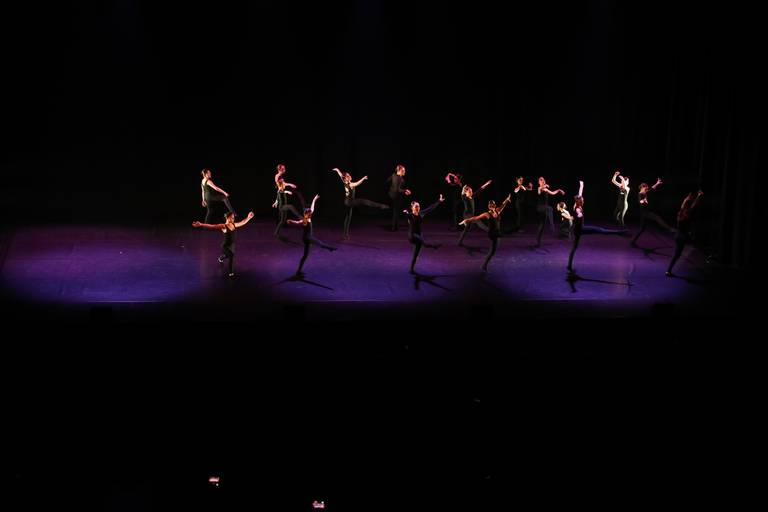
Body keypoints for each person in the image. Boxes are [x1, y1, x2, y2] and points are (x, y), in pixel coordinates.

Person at [192, 211, 254, 277]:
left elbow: (242, 222)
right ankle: (231, 272)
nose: (233, 219)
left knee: (227, 256)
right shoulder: (223, 226)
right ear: (227, 218)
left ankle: (220, 258)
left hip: (231, 246)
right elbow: (212, 226)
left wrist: (248, 217)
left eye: (233, 218)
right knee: (231, 256)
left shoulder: (234, 224)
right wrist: (201, 224)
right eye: (231, 217)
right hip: (225, 246)